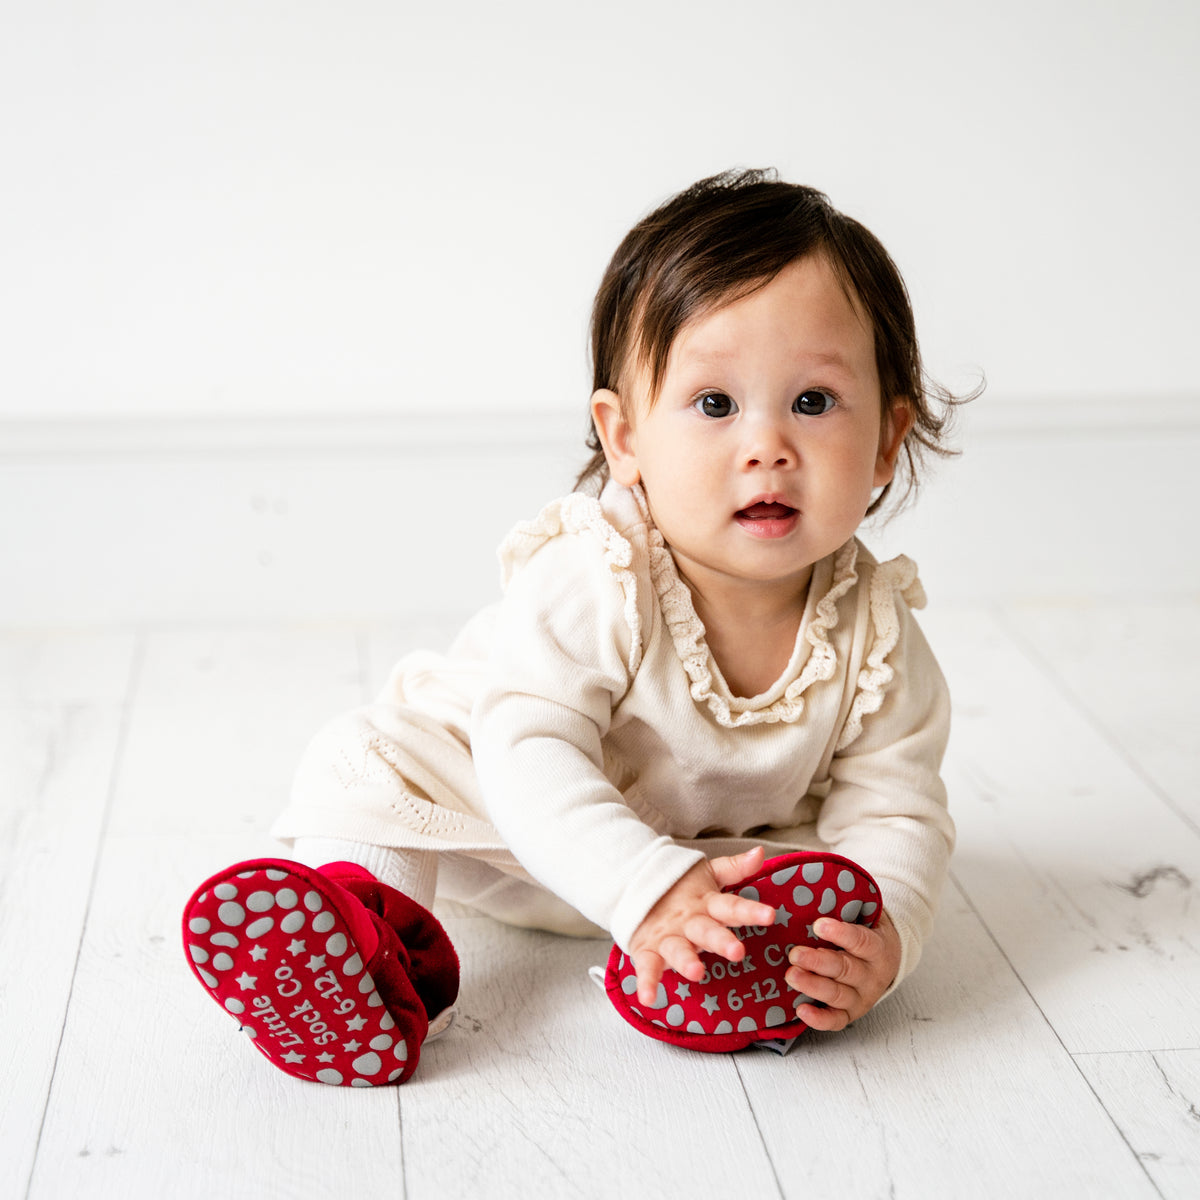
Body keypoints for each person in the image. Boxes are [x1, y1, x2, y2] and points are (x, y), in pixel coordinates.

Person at [183, 168, 961, 1086]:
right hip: (497, 818)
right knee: (370, 762)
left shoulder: (876, 638)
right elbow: (527, 753)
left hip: (697, 865)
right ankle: (369, 945)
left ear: (885, 441)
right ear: (624, 439)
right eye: (715, 405)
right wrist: (639, 886)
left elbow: (897, 811)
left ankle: (716, 968)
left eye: (814, 402)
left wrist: (885, 939)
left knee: (816, 880)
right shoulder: (601, 575)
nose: (766, 446)